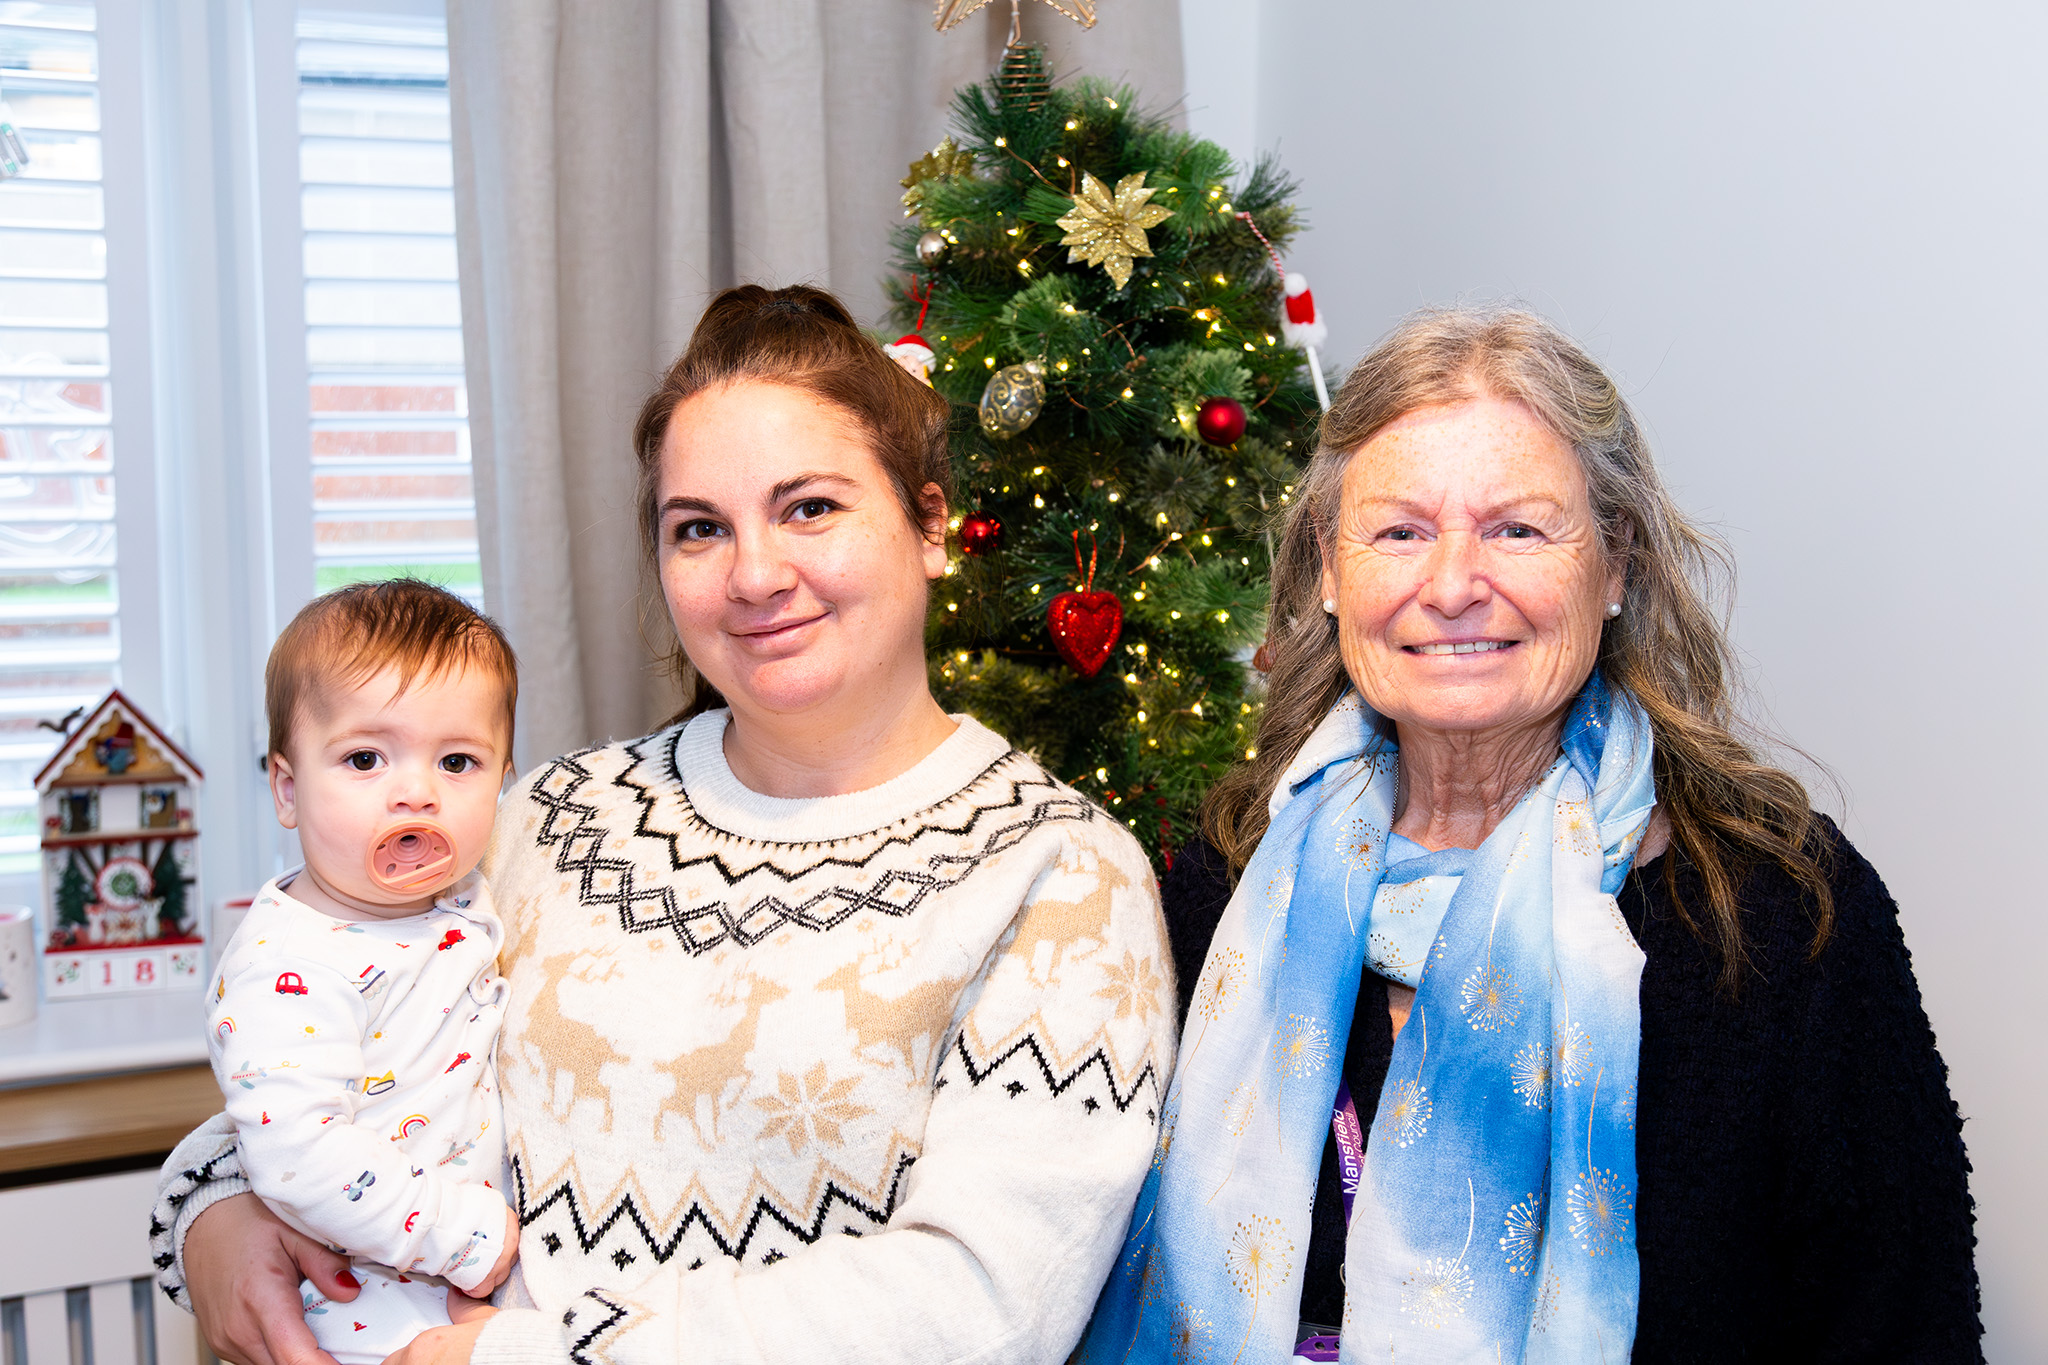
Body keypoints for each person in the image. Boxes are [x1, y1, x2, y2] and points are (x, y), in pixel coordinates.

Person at [151, 284, 1176, 1365]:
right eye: (699, 529)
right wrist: (214, 1216)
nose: (754, 575)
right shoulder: (539, 821)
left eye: (810, 508)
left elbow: (977, 1302)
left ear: (929, 524)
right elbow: (317, 1065)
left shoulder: (1063, 879)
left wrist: (526, 1357)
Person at [1078, 306, 1980, 1363]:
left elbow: (1900, 1327)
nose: (1453, 585)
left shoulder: (1778, 910)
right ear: (1329, 570)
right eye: (1399, 531)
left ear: (1615, 567)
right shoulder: (1213, 881)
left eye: (1515, 528)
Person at [207, 582, 522, 1364]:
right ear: (287, 787)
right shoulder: (291, 962)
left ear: (502, 780)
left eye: (457, 760)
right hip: (362, 1322)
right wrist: (469, 1236)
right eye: (364, 758)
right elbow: (296, 1151)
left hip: (471, 1307)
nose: (416, 791)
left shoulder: (465, 901)